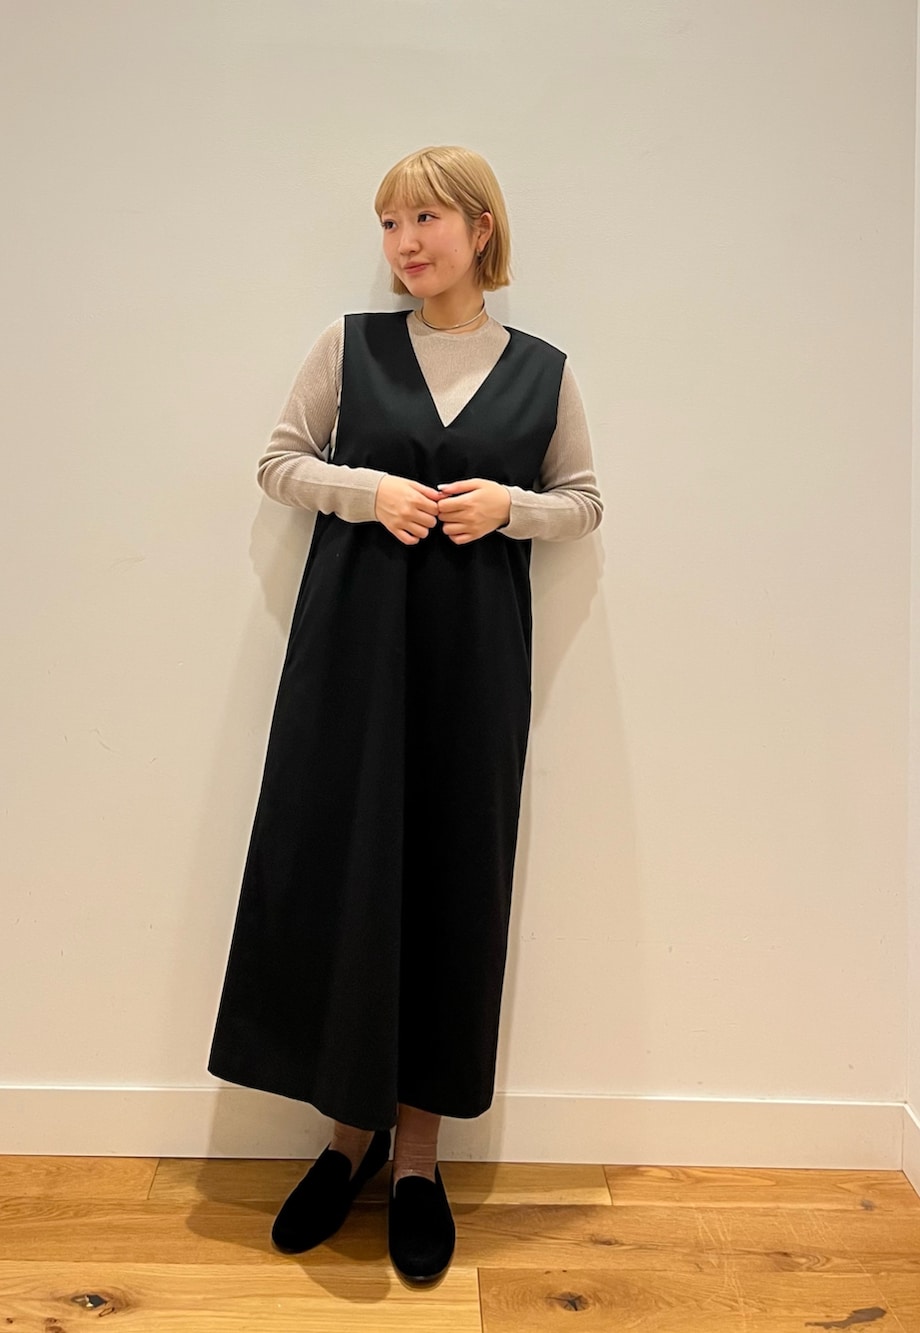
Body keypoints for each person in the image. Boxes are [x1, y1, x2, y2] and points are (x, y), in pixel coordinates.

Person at [207, 144, 604, 1286]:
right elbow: (278, 463)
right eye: (389, 224)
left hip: (472, 669)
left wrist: (511, 507)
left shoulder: (544, 372)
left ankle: (418, 1159)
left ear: (481, 228)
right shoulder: (349, 348)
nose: (404, 243)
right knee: (346, 874)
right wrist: (365, 490)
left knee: (448, 886)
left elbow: (584, 502)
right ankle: (347, 1140)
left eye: (424, 219)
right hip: (350, 658)